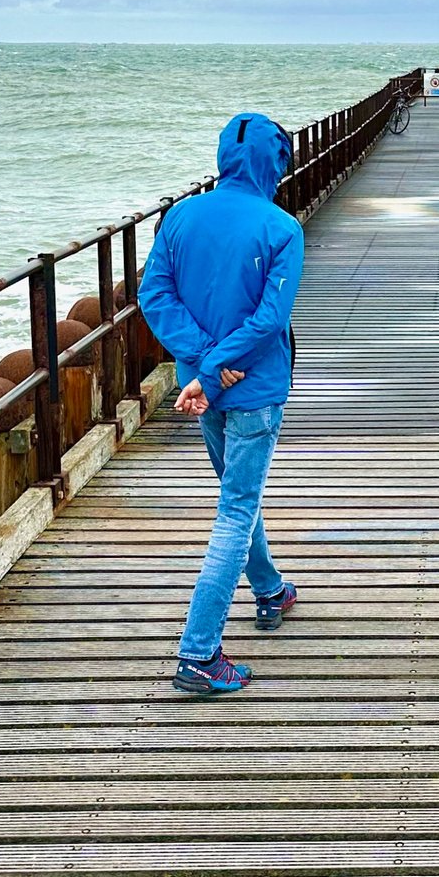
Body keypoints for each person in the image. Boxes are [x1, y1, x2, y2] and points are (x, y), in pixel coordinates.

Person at [137, 111, 303, 695]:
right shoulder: (281, 227)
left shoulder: (181, 216)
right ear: (273, 163)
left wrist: (202, 365)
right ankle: (199, 653)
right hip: (248, 391)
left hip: (198, 393)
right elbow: (269, 319)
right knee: (236, 508)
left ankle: (270, 590)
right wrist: (217, 368)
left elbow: (152, 293)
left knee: (239, 495)